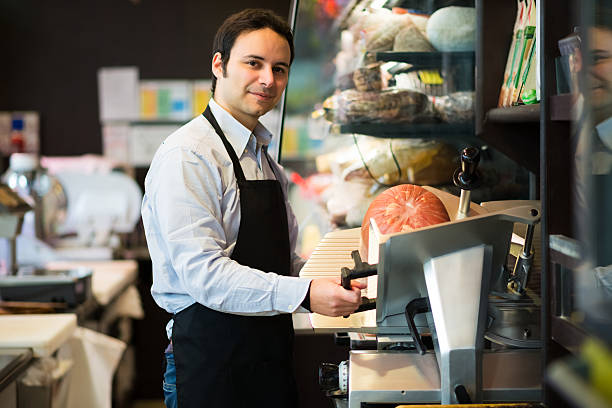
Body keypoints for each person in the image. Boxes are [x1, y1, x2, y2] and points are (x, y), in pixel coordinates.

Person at [140, 8, 365, 408]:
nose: (268, 80)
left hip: (267, 361)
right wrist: (306, 293)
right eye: (254, 63)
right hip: (210, 367)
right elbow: (205, 276)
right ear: (219, 65)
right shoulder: (189, 155)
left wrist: (326, 275)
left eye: (280, 69)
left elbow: (275, 262)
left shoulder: (262, 156)